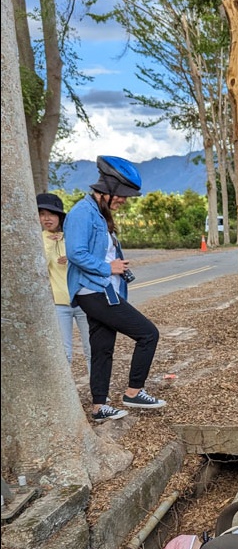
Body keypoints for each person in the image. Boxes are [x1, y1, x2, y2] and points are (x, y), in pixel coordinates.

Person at [64, 156, 165, 422]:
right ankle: (134, 391)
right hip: (93, 290)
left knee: (102, 347)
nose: (123, 200)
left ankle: (99, 407)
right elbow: (75, 253)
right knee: (148, 334)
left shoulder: (99, 213)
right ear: (107, 188)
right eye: (121, 195)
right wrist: (110, 268)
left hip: (103, 290)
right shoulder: (81, 213)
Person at [37, 192, 91, 372]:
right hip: (59, 305)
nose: (47, 218)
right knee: (64, 353)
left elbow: (87, 258)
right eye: (42, 214)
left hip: (83, 300)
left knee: (92, 350)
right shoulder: (38, 240)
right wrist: (51, 245)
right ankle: (66, 399)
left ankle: (99, 393)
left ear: (59, 216)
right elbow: (39, 267)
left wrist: (72, 257)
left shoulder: (72, 235)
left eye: (51, 214)